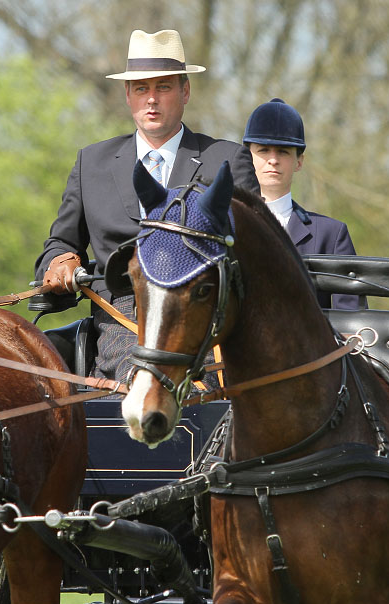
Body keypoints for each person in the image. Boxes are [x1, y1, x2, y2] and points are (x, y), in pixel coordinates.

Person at [35, 29, 259, 381]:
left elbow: (253, 254)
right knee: (143, 378)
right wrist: (60, 262)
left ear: (185, 91)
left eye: (163, 88)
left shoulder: (227, 160)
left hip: (202, 316)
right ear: (128, 95)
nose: (151, 100)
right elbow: (61, 243)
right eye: (141, 89)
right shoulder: (91, 163)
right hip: (122, 318)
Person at [243, 98, 362, 310]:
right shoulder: (224, 224)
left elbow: (351, 320)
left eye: (283, 152)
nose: (273, 160)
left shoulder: (332, 235)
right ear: (247, 157)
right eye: (263, 150)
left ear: (299, 162)